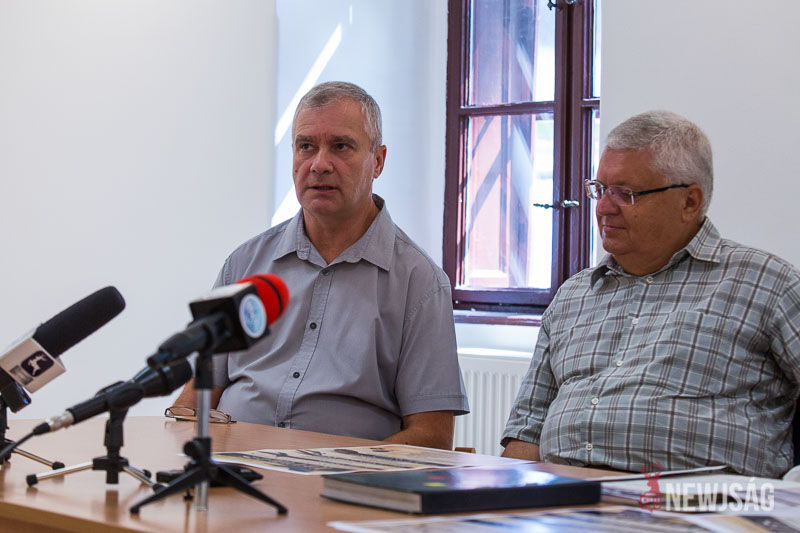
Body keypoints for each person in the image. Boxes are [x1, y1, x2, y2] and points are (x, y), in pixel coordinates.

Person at [502, 110, 800, 477]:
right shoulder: (574, 295)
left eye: (626, 194)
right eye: (600, 189)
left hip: (696, 503)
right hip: (567, 496)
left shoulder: (766, 285)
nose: (603, 208)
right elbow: (528, 431)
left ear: (690, 202)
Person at [173, 81, 469, 449]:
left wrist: (341, 474)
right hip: (231, 469)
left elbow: (432, 437)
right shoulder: (246, 263)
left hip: (341, 478)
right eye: (306, 147)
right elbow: (200, 392)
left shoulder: (418, 282)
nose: (319, 165)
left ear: (378, 161)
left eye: (341, 146)